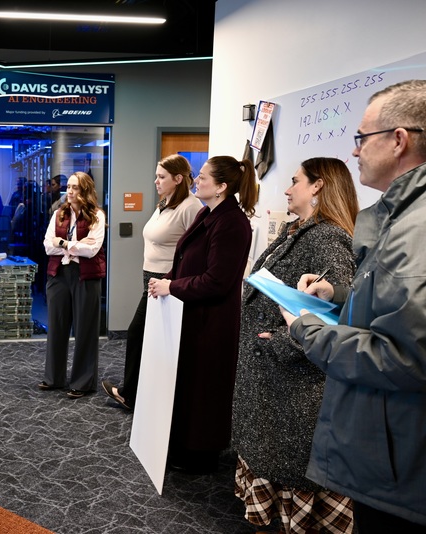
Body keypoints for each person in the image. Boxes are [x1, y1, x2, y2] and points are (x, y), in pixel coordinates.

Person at [282, 80, 426, 532]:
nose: (355, 151)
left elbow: (405, 355)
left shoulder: (417, 227)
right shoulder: (397, 215)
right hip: (391, 452)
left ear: (398, 140)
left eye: (362, 138)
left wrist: (308, 329)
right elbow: (394, 302)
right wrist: (339, 297)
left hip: (401, 462)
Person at [232, 158, 359, 534]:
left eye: (295, 181)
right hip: (272, 379)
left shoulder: (328, 237)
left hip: (293, 384)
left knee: (291, 475)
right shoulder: (296, 230)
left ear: (318, 186)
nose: (287, 189)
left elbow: (337, 314)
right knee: (268, 461)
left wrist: (282, 343)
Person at [151, 155, 257, 474]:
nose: (197, 180)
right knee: (189, 386)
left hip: (212, 322)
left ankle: (201, 453)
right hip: (192, 316)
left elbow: (217, 281)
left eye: (203, 177)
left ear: (222, 187)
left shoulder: (232, 223)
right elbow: (186, 258)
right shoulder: (206, 214)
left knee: (205, 390)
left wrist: (172, 286)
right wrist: (168, 280)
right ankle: (185, 445)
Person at [101, 155, 202, 410]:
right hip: (150, 278)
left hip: (167, 282)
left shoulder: (190, 207)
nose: (155, 181)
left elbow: (197, 249)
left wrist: (174, 280)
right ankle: (147, 395)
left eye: (161, 177)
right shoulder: (166, 203)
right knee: (150, 337)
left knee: (137, 332)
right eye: (156, 175)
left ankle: (130, 394)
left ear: (178, 179)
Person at [39, 171, 106, 398]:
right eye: (68, 186)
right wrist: (75, 244)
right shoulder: (58, 214)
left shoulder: (97, 216)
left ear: (85, 190)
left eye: (75, 187)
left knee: (85, 329)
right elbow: (48, 246)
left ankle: (82, 382)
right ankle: (54, 378)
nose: (69, 191)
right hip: (58, 274)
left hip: (86, 276)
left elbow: (93, 249)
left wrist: (65, 243)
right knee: (57, 327)